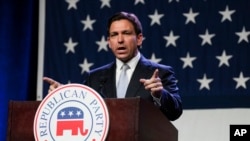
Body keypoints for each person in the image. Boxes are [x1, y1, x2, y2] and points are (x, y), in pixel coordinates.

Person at [43, 11, 182, 121]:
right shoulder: (95, 77)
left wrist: (159, 94)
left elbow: (175, 113)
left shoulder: (160, 73)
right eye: (114, 35)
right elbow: (84, 112)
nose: (120, 40)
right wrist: (65, 96)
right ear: (109, 42)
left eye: (126, 33)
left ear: (139, 39)